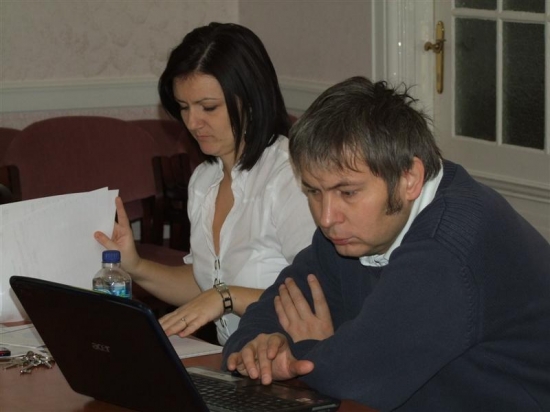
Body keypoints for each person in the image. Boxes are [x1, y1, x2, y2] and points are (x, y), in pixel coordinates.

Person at [223, 76, 550, 410]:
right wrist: (258, 346)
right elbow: (273, 310)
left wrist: (309, 349)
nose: (326, 217)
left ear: (410, 178)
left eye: (348, 192)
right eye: (313, 192)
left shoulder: (449, 246)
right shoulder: (351, 232)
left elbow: (355, 376)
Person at [94, 22, 316, 345]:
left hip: (293, 360)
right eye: (184, 107)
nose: (192, 122)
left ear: (251, 100)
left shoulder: (290, 177)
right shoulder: (204, 179)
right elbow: (204, 285)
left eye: (208, 107)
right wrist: (135, 266)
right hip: (237, 360)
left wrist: (225, 297)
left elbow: (315, 295)